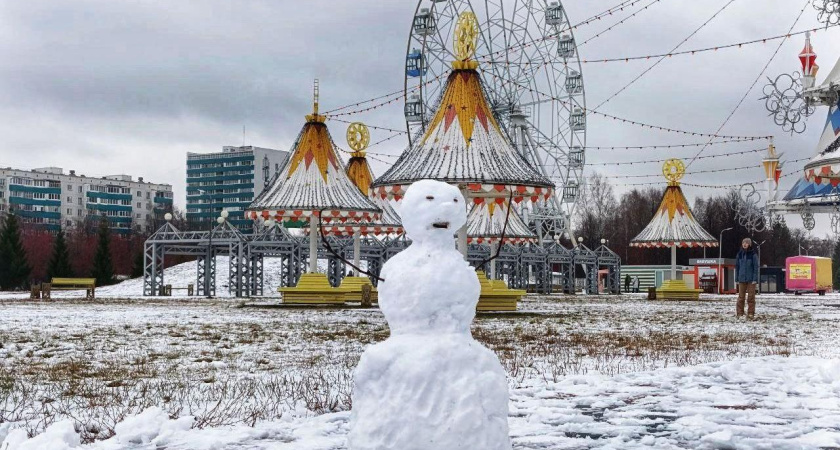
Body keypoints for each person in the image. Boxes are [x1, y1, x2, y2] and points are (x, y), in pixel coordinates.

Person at [735, 237, 759, 319]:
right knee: (741, 297)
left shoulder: (753, 255)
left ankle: (751, 313)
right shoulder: (739, 254)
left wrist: (755, 279)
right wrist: (737, 278)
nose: (744, 244)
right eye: (743, 243)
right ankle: (739, 313)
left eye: (746, 243)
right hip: (741, 279)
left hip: (751, 280)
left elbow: (756, 267)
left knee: (751, 297)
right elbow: (737, 267)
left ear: (749, 244)